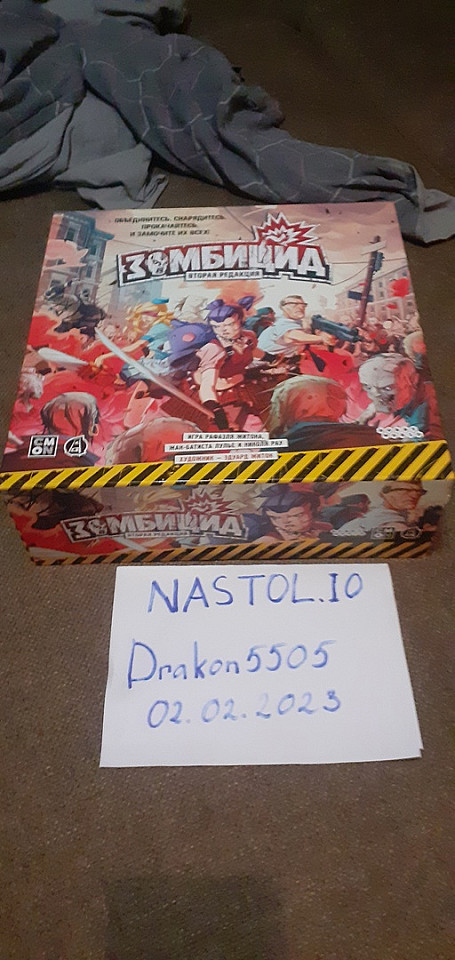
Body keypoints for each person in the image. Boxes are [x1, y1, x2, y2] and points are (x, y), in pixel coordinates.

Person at [334, 481, 426, 537]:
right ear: (385, 493)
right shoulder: (385, 519)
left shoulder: (390, 515)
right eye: (406, 490)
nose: (415, 495)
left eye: (419, 491)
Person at [244, 486, 331, 542]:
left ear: (313, 511)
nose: (284, 522)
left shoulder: (324, 528)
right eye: (275, 518)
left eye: (295, 515)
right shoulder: (269, 540)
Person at [257, 295, 323, 357]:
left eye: (303, 305)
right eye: (295, 304)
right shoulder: (282, 322)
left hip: (277, 359)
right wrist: (323, 338)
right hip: (264, 361)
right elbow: (296, 337)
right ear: (283, 308)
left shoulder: (295, 321)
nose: (300, 307)